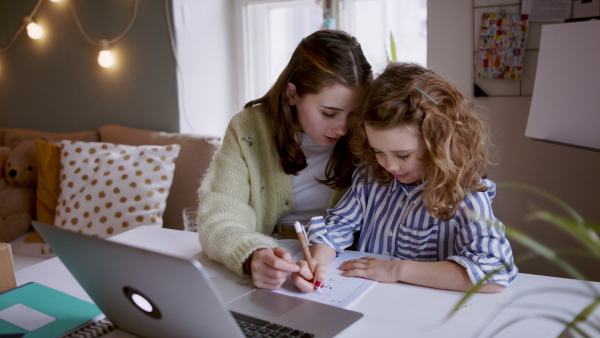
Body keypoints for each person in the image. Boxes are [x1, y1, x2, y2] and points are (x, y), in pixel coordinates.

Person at [294, 62, 517, 293]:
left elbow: (494, 274)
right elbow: (337, 227)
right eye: (378, 151)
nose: (390, 165)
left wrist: (395, 270)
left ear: (439, 145)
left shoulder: (466, 195)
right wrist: (317, 262)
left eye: (403, 155)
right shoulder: (371, 175)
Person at [197, 29, 373, 290]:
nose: (344, 128)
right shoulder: (249, 128)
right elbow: (220, 212)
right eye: (328, 113)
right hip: (273, 266)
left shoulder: (370, 134)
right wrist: (252, 254)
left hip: (344, 268)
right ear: (292, 95)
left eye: (354, 114)